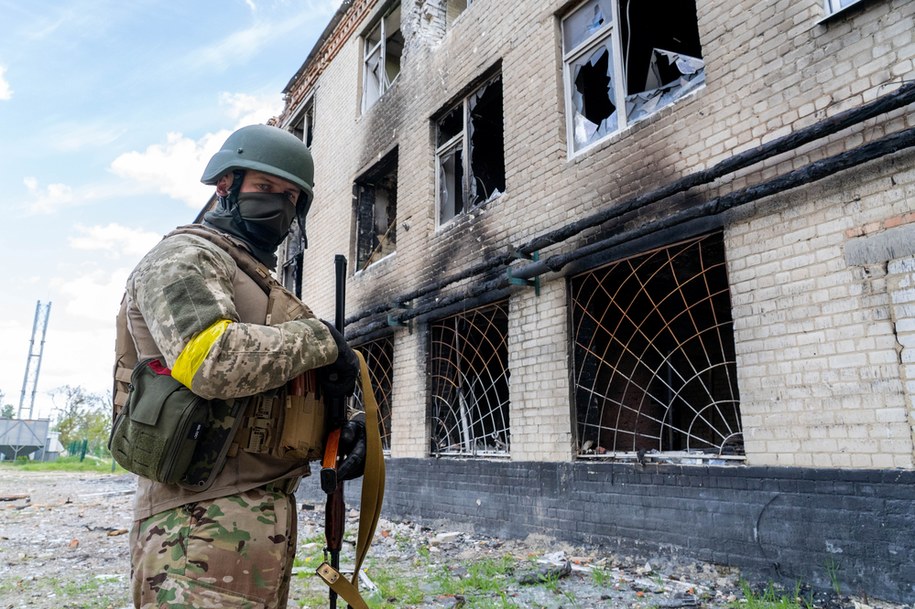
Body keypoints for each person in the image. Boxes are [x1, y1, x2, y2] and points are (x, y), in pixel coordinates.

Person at [114, 124, 365, 609]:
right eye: (266, 189)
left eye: (291, 196)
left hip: (261, 512)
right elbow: (213, 361)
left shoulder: (256, 281)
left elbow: (272, 386)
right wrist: (320, 339)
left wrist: (340, 426)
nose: (279, 205)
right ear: (225, 186)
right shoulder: (183, 257)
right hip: (195, 521)